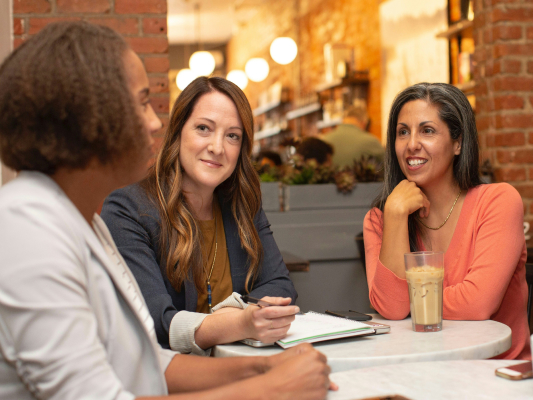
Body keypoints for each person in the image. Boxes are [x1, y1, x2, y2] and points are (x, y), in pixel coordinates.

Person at [0, 21, 333, 399]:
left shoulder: (83, 222)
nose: (155, 122)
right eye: (142, 103)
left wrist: (263, 366)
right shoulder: (26, 228)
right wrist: (271, 388)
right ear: (88, 118)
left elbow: (147, 364)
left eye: (233, 136)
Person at [101, 76, 298, 355]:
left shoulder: (242, 205)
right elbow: (155, 322)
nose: (217, 147)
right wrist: (240, 322)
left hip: (240, 369)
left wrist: (233, 318)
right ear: (178, 131)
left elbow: (281, 286)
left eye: (232, 136)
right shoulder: (128, 210)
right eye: (204, 128)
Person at [363, 82, 531, 360]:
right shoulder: (381, 218)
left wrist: (410, 300)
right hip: (422, 371)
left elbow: (478, 304)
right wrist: (395, 215)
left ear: (458, 143)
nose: (412, 144)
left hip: (496, 374)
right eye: (403, 132)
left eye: (427, 131)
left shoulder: (498, 201)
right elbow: (393, 308)